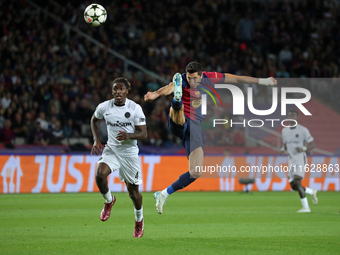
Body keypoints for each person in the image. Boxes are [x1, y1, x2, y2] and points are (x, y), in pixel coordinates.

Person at [144, 61, 277, 214]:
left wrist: (264, 81)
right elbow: (169, 87)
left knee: (196, 171)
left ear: (202, 75)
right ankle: (177, 101)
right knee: (180, 118)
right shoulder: (182, 80)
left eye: (194, 78)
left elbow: (238, 79)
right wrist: (156, 94)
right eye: (189, 78)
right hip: (179, 120)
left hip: (194, 126)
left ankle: (163, 194)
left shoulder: (211, 78)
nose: (191, 81)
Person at [91, 77, 147, 237]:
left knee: (133, 194)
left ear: (127, 91)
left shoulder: (135, 108)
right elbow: (94, 120)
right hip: (112, 150)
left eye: (121, 89)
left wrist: (128, 135)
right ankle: (109, 201)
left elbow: (144, 133)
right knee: (100, 174)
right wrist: (96, 140)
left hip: (129, 154)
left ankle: (139, 221)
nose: (118, 92)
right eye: (115, 89)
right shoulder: (104, 107)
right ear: (112, 91)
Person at [279, 109, 318, 213]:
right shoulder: (284, 131)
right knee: (294, 186)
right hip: (290, 159)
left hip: (300, 158)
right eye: (289, 115)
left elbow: (313, 144)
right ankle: (311, 191)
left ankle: (306, 208)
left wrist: (303, 149)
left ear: (297, 118)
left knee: (297, 181)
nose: (291, 117)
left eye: (293, 115)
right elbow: (286, 144)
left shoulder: (303, 130)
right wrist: (283, 150)